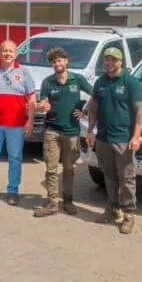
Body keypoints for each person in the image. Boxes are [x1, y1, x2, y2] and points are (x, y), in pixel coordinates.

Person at [86, 47, 142, 234]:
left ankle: (129, 215)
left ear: (121, 62)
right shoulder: (100, 82)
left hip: (123, 139)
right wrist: (90, 131)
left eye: (113, 59)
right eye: (107, 59)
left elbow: (140, 111)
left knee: (126, 178)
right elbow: (94, 108)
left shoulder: (131, 82)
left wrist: (136, 136)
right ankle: (112, 209)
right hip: (103, 138)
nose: (109, 63)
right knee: (109, 177)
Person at [33, 47, 93, 218]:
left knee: (68, 169)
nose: (57, 64)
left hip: (72, 132)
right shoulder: (48, 82)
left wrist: (85, 111)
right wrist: (42, 106)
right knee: (51, 169)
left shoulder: (77, 79)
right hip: (52, 131)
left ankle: (67, 201)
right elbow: (43, 102)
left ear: (66, 61)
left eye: (59, 60)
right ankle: (52, 202)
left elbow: (95, 94)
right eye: (53, 62)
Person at [0, 40, 36, 206]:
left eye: (11, 51)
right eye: (4, 51)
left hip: (16, 125)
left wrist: (30, 121)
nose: (7, 54)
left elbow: (32, 99)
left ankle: (12, 191)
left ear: (15, 54)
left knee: (15, 158)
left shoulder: (24, 72)